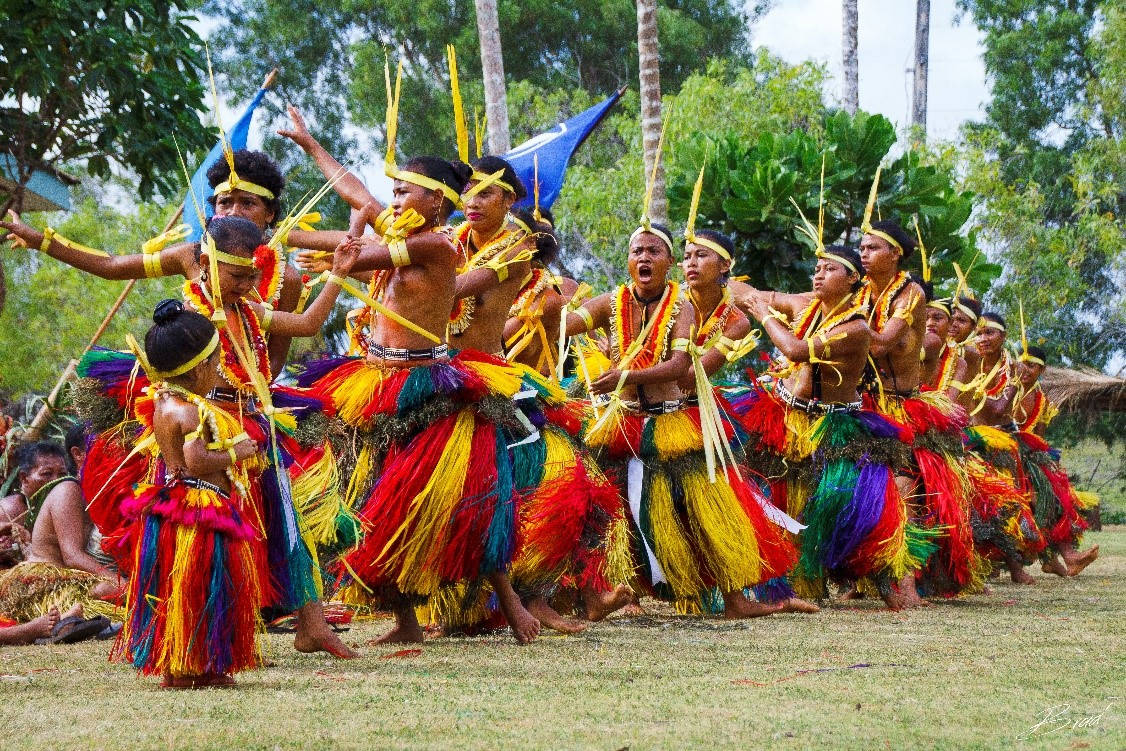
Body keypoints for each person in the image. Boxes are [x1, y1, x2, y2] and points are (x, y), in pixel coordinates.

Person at [76, 215, 360, 658]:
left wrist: (338, 273)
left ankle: (312, 625)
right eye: (238, 274)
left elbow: (305, 324)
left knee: (290, 522)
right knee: (209, 545)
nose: (248, 283)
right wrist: (41, 240)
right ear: (207, 261)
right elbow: (112, 266)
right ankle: (186, 637)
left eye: (253, 274)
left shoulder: (248, 308)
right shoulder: (194, 317)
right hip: (209, 431)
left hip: (253, 424)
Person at [296, 153, 546, 644]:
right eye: (395, 194)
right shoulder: (406, 237)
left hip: (427, 383)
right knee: (375, 501)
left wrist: (319, 248)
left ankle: (512, 603)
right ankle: (405, 620)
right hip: (377, 379)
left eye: (405, 192)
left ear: (436, 201)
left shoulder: (436, 246)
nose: (394, 201)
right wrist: (308, 147)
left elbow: (359, 252)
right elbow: (359, 198)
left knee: (466, 503)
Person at [563, 217, 793, 618]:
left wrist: (625, 374)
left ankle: (735, 598)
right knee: (606, 505)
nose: (645, 257)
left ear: (665, 262)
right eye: (638, 251)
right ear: (628, 260)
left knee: (704, 507)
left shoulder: (685, 308)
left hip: (675, 420)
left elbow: (681, 370)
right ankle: (606, 593)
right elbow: (565, 325)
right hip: (625, 421)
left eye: (655, 251)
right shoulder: (611, 302)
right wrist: (544, 310)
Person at [732, 246, 927, 609]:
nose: (818, 275)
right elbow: (748, 294)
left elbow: (795, 350)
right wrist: (724, 281)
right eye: (817, 268)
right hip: (785, 414)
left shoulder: (856, 328)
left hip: (834, 423)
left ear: (853, 278)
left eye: (830, 269)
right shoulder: (807, 305)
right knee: (776, 494)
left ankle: (890, 582)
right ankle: (779, 581)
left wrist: (762, 313)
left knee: (850, 504)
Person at [116, 300, 267, 688]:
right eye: (216, 364)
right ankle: (194, 665)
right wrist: (239, 451)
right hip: (199, 508)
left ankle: (182, 664)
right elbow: (196, 459)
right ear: (200, 368)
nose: (218, 372)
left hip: (172, 503)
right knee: (203, 587)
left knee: (178, 588)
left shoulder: (162, 402)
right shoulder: (192, 411)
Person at [857, 216, 981, 600]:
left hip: (901, 408)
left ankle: (907, 582)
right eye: (861, 247)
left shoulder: (911, 294)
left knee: (903, 493)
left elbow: (878, 345)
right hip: (864, 404)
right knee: (861, 490)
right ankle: (864, 577)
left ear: (895, 253)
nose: (864, 253)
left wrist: (841, 334)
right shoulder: (861, 291)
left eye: (872, 247)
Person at [962, 312, 1046, 583]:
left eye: (990, 333)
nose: (983, 339)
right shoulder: (966, 359)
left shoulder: (1011, 368)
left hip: (998, 442)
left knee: (1005, 504)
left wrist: (969, 392)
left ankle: (1017, 568)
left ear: (1004, 336)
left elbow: (999, 409)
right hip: (969, 439)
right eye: (980, 333)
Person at [1012, 344, 1098, 577]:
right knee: (1031, 498)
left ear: (1042, 370)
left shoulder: (1042, 400)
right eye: (1023, 364)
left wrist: (1045, 467)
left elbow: (1040, 437)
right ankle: (1049, 559)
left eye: (1033, 366)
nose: (1026, 370)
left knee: (1055, 494)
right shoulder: (1006, 388)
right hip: (1003, 453)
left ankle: (1063, 557)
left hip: (1028, 456)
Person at [0, 442, 68, 564]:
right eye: (47, 474)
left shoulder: (67, 505)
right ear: (24, 478)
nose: (57, 481)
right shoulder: (9, 510)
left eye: (62, 474)